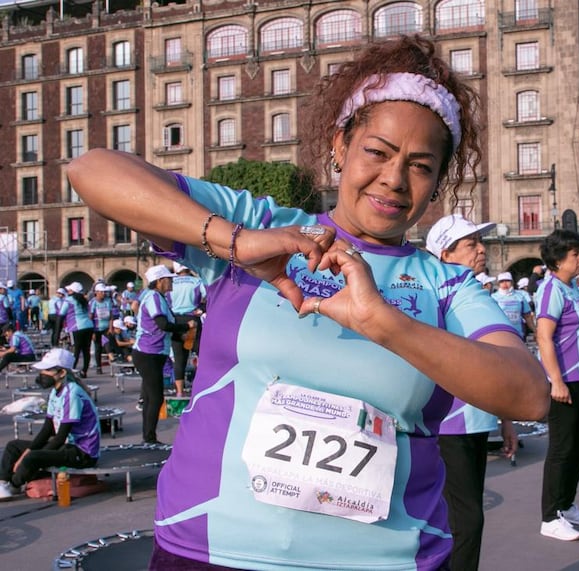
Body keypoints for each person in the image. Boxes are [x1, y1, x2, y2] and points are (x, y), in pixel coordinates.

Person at [67, 35, 550, 570]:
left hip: (383, 560)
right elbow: (92, 169)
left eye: (419, 165)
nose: (393, 178)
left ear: (437, 183)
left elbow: (528, 396)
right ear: (340, 146)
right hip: (211, 551)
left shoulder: (448, 284)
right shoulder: (263, 226)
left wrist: (384, 324)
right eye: (377, 152)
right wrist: (236, 243)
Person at [425, 213, 517, 571]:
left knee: (465, 519)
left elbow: (498, 362)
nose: (482, 250)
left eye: (481, 242)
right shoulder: (433, 298)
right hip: (447, 426)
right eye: (471, 244)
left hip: (478, 422)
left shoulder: (477, 294)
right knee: (466, 523)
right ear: (445, 254)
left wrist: (505, 418)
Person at [535, 229, 579, 541]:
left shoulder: (572, 288)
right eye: (576, 254)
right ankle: (550, 517)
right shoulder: (551, 290)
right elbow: (543, 336)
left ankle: (566, 503)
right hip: (563, 381)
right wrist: (555, 380)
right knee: (561, 448)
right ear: (559, 260)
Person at [0, 348, 99, 500]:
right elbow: (48, 429)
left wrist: (29, 456)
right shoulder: (55, 391)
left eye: (47, 370)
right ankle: (3, 482)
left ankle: (14, 485)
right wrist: (26, 452)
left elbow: (60, 437)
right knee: (14, 446)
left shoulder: (72, 394)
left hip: (82, 452)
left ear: (62, 373)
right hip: (65, 445)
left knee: (33, 458)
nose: (42, 374)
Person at [132, 265, 195, 445]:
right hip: (147, 353)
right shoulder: (153, 297)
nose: (172, 281)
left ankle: (148, 436)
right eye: (169, 278)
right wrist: (186, 327)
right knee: (156, 397)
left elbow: (167, 327)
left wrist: (179, 334)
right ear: (160, 281)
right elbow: (162, 324)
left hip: (155, 353)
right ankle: (150, 438)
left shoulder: (160, 298)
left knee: (150, 397)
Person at [167, 262, 207, 397]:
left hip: (176, 321)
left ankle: (179, 392)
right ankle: (201, 386)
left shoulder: (170, 282)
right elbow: (208, 296)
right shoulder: (196, 281)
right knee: (199, 353)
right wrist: (201, 308)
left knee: (179, 358)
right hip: (192, 320)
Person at [59, 282, 93, 378]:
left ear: (72, 291)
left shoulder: (68, 300)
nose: (68, 292)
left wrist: (57, 333)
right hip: (88, 326)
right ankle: (84, 371)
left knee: (76, 350)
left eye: (69, 290)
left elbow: (61, 314)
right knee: (86, 350)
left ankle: (72, 370)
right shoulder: (84, 300)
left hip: (76, 327)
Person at [492, 272, 535, 338]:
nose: (505, 283)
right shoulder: (493, 297)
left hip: (518, 334)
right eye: (502, 281)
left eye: (507, 281)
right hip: (501, 335)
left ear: (512, 282)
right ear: (498, 284)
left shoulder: (520, 296)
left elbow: (527, 317)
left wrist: (535, 331)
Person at [88, 284, 114, 374]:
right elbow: (90, 317)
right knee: (98, 347)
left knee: (109, 344)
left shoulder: (108, 301)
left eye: (104, 292)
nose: (103, 293)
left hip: (106, 327)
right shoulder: (93, 302)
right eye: (101, 292)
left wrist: (111, 327)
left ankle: (113, 362)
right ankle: (99, 367)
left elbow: (111, 316)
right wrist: (92, 332)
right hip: (96, 328)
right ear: (96, 292)